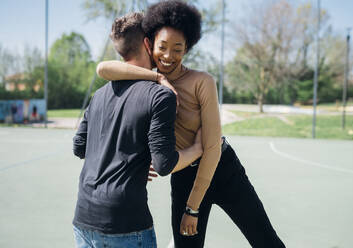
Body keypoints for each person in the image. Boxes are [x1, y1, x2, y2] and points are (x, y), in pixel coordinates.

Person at [97, 1, 286, 247]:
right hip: (184, 174)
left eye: (178, 48)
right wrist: (157, 77)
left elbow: (211, 147)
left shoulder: (202, 81)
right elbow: (103, 68)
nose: (168, 56)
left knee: (266, 240)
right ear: (150, 44)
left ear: (187, 49)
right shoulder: (147, 82)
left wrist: (192, 208)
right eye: (162, 47)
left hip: (222, 169)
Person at [72, 12, 203, 248]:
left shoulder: (99, 95)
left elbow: (79, 147)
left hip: (83, 219)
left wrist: (128, 161)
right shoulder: (160, 95)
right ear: (146, 43)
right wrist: (197, 149)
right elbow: (164, 165)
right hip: (125, 224)